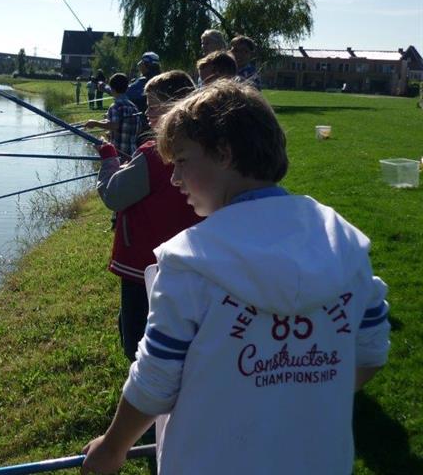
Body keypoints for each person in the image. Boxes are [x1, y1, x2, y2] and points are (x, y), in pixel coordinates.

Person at [81, 79, 390, 475]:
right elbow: (370, 351)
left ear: (224, 153)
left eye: (182, 161)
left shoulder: (188, 261)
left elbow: (155, 380)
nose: (174, 179)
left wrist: (112, 447)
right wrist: (295, 398)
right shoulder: (345, 242)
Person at [95, 70, 201, 362]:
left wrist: (109, 159)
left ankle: (146, 383)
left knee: (136, 337)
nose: (147, 112)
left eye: (153, 105)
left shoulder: (153, 153)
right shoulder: (200, 148)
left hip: (142, 265)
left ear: (174, 107)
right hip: (185, 262)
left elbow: (113, 194)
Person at [85, 73, 139, 158]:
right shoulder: (133, 106)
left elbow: (114, 125)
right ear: (127, 88)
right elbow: (135, 128)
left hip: (118, 155)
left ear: (112, 88)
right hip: (132, 154)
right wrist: (111, 133)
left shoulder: (115, 106)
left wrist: (95, 123)